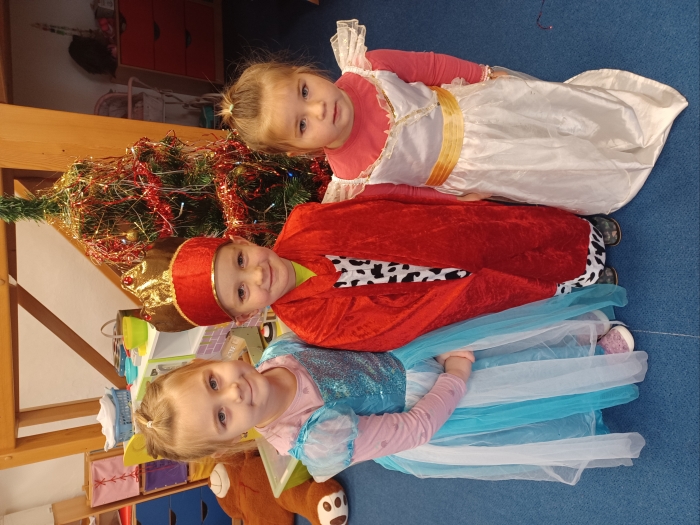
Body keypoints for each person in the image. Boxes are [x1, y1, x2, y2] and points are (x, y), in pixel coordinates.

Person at [133, 285, 647, 485]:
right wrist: (454, 377)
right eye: (222, 415)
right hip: (426, 405)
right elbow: (416, 428)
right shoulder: (315, 438)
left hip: (407, 353)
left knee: (493, 341)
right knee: (508, 382)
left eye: (214, 381)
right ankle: (595, 365)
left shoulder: (277, 353)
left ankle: (573, 338)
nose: (234, 392)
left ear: (212, 361)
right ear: (230, 440)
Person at [219, 19, 687, 215]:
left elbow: (431, 66)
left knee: (548, 114)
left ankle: (617, 125)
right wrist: (460, 201)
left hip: (476, 107)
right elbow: (408, 195)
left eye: (305, 91)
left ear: (306, 72)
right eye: (303, 124)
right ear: (298, 151)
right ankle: (598, 167)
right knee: (540, 161)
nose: (319, 108)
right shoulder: (353, 179)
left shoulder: (367, 68)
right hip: (471, 166)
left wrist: (481, 74)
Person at [122, 194, 617, 350]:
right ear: (244, 316)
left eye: (240, 261)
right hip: (427, 295)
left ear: (239, 241)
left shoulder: (303, 222)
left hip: (433, 236)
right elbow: (382, 329)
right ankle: (578, 281)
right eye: (242, 292)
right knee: (498, 289)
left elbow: (377, 210)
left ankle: (577, 234)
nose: (257, 275)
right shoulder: (309, 323)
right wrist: (440, 299)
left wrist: (435, 211)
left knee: (499, 233)